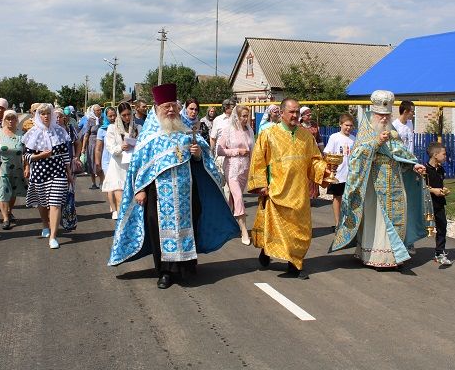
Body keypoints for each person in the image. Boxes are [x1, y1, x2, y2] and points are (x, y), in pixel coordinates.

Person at [109, 84, 239, 289]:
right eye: (166, 107)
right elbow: (138, 166)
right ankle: (165, 272)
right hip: (157, 193)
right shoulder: (149, 135)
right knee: (159, 230)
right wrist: (140, 189)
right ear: (157, 108)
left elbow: (202, 156)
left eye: (173, 106)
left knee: (189, 226)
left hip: (187, 191)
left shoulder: (185, 130)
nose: (170, 110)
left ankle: (186, 267)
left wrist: (197, 155)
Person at [329, 90, 429, 269]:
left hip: (394, 182)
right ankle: (374, 255)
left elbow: (401, 154)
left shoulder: (393, 133)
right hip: (373, 187)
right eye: (380, 115)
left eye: (386, 115)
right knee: (378, 220)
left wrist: (414, 165)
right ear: (373, 114)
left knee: (394, 217)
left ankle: (394, 256)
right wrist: (376, 143)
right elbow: (356, 157)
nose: (384, 118)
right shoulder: (366, 133)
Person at [247, 98, 331, 279]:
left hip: (300, 192)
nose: (295, 115)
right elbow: (258, 160)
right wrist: (260, 184)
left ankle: (295, 262)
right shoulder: (268, 134)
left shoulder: (306, 136)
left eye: (297, 112)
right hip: (277, 191)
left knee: (300, 230)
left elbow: (314, 160)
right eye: (291, 112)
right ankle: (276, 256)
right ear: (282, 113)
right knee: (277, 229)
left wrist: (325, 169)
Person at [22, 104, 73, 249]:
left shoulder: (59, 132)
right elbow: (26, 155)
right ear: (38, 116)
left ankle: (53, 236)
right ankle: (45, 224)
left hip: (57, 171)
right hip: (39, 171)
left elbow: (64, 154)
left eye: (48, 114)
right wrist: (39, 156)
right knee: (43, 203)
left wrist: (69, 172)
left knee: (55, 203)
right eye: (43, 114)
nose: (46, 116)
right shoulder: (32, 132)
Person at [216, 105, 254, 245]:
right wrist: (237, 151)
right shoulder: (228, 130)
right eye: (243, 116)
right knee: (238, 197)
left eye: (247, 116)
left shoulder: (249, 130)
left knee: (234, 198)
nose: (245, 119)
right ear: (236, 117)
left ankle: (224, 223)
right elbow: (219, 151)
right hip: (231, 168)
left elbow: (252, 149)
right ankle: (244, 230)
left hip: (245, 169)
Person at [0, 110, 27, 230]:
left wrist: (27, 166)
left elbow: (27, 152)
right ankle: (5, 218)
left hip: (17, 167)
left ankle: (9, 211)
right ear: (4, 120)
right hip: (1, 167)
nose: (10, 121)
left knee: (13, 192)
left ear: (17, 120)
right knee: (2, 191)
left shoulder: (22, 134)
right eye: (8, 119)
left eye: (13, 119)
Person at [103, 102, 136, 220]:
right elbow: (110, 148)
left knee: (132, 201)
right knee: (121, 200)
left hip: (132, 166)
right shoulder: (112, 128)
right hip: (118, 166)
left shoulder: (138, 128)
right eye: (124, 115)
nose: (127, 117)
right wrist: (121, 148)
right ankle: (121, 225)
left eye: (129, 114)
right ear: (119, 115)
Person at [323, 113, 355, 230]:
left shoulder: (353, 139)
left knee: (349, 199)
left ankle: (347, 222)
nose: (349, 128)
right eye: (346, 125)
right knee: (337, 198)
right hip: (338, 174)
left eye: (351, 126)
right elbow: (327, 153)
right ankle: (337, 223)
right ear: (340, 124)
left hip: (350, 175)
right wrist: (330, 168)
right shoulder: (334, 137)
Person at [426, 142, 453, 266]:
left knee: (442, 226)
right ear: (435, 155)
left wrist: (443, 190)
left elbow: (440, 184)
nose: (445, 156)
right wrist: (433, 190)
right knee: (421, 226)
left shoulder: (441, 169)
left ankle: (439, 253)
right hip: (427, 203)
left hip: (439, 203)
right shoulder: (424, 169)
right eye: (444, 154)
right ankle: (407, 247)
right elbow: (420, 187)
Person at [300, 106, 324, 199]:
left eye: (310, 114)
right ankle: (303, 195)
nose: (310, 116)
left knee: (313, 173)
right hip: (303, 154)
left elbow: (319, 139)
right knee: (304, 175)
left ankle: (312, 195)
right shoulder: (298, 126)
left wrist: (323, 151)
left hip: (314, 153)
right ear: (302, 116)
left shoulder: (314, 125)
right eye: (307, 115)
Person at [95, 106, 117, 187]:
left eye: (114, 115)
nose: (113, 118)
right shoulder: (102, 130)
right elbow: (98, 149)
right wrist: (97, 164)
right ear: (105, 116)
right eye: (110, 116)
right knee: (110, 185)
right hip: (107, 161)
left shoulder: (120, 128)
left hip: (118, 160)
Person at [81, 104, 102, 189]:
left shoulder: (103, 120)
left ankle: (102, 182)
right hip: (92, 144)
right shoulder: (90, 120)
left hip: (101, 143)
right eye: (97, 110)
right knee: (92, 162)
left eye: (100, 110)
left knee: (100, 162)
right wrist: (83, 148)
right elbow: (86, 134)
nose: (99, 112)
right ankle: (93, 183)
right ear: (93, 111)